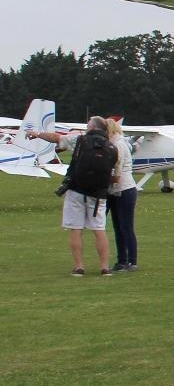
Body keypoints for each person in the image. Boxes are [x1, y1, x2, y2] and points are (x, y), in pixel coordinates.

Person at [29, 115, 113, 276]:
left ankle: (79, 266)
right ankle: (105, 267)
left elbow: (56, 138)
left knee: (75, 229)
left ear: (93, 128)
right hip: (99, 195)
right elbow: (113, 174)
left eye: (88, 125)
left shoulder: (80, 140)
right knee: (99, 230)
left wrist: (37, 134)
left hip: (76, 190)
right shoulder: (111, 146)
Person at [106, 117, 139, 273]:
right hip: (116, 190)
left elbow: (117, 169)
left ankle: (131, 261)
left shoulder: (118, 145)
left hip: (124, 188)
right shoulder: (117, 143)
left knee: (126, 226)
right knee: (118, 227)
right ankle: (121, 260)